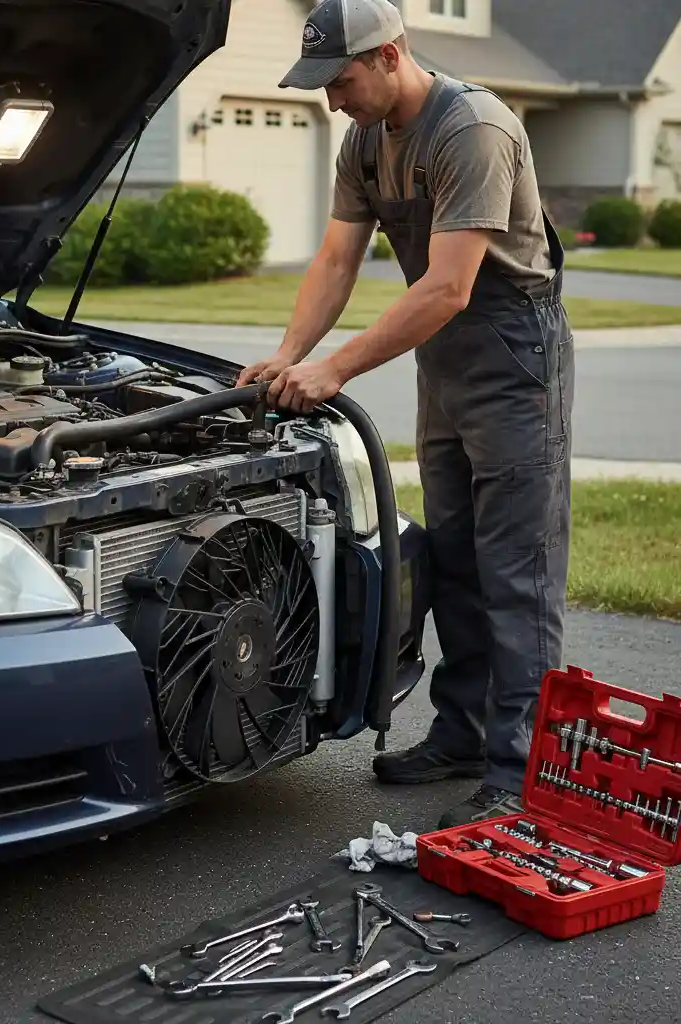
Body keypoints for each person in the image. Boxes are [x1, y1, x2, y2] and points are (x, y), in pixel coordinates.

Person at [239, 0, 574, 829]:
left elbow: (450, 287)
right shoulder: (363, 139)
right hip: (447, 361)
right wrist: (289, 353)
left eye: (340, 80)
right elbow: (336, 257)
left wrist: (335, 368)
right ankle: (462, 736)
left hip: (511, 354)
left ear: (390, 55)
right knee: (454, 555)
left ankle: (519, 768)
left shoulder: (473, 131)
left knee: (517, 570)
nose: (330, 100)